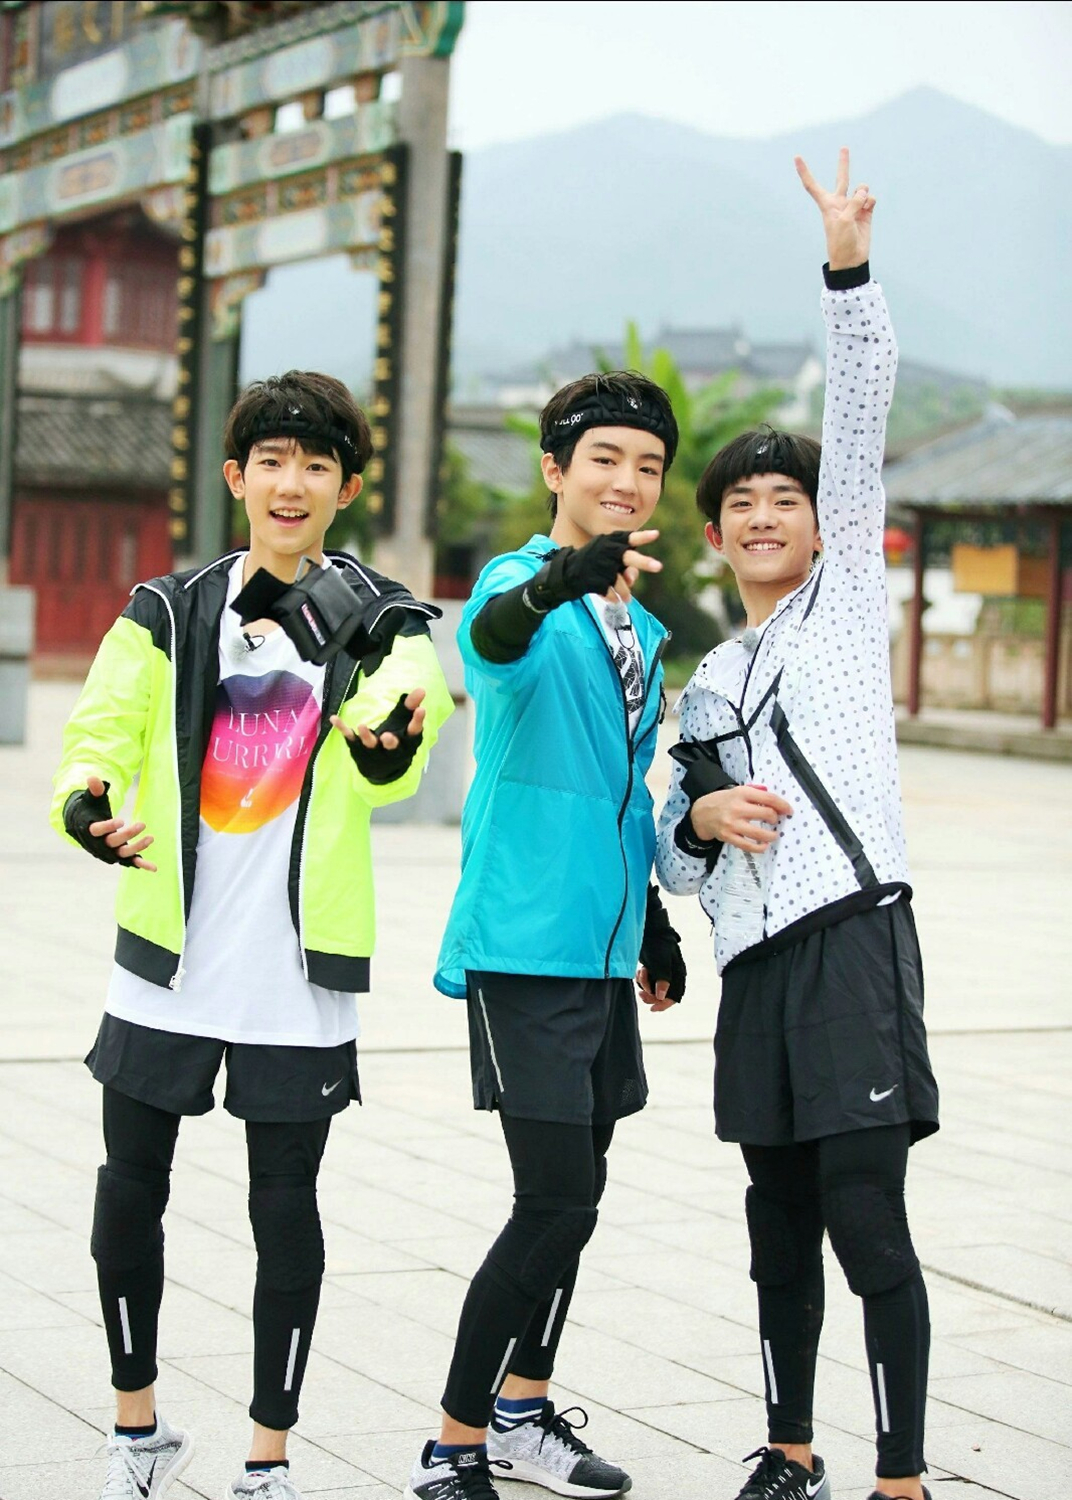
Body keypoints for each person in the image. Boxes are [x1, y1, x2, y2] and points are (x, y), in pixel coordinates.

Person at [51, 371, 453, 1500]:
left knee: (285, 1212)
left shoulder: (380, 616)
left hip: (294, 972)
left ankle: (268, 1457)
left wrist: (384, 736)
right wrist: (86, 801)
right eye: (271, 461)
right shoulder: (167, 610)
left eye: (317, 465)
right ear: (236, 477)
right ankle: (137, 1428)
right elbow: (101, 728)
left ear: (347, 489)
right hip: (167, 963)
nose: (292, 483)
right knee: (128, 1192)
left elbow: (403, 711)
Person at [656, 152, 939, 1500]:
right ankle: (789, 1451)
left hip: (851, 946)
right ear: (714, 538)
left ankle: (901, 1474)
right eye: (741, 506)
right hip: (755, 972)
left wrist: (845, 262)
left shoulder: (843, 609)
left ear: (825, 527)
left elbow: (862, 400)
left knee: (864, 1222)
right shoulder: (706, 680)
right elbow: (672, 852)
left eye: (788, 501)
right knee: (775, 1230)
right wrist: (702, 815)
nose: (764, 516)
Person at [405, 371, 688, 1500]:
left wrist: (652, 920)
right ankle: (452, 1441)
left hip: (601, 948)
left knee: (584, 1196)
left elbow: (627, 784)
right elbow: (490, 639)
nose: (627, 480)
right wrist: (558, 579)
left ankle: (524, 1410)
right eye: (604, 458)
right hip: (523, 940)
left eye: (648, 465)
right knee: (553, 1199)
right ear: (554, 469)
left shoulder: (642, 627)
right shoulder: (517, 585)